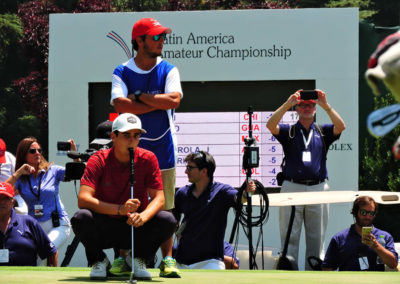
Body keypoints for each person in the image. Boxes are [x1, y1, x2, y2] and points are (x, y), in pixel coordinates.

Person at [110, 17, 182, 278]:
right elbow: (120, 105)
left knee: (167, 206)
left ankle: (168, 260)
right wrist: (156, 102)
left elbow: (174, 100)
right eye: (155, 37)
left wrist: (139, 98)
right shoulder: (122, 71)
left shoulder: (169, 69)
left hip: (163, 149)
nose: (161, 40)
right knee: (124, 201)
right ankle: (121, 258)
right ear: (139, 41)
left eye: (162, 36)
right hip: (127, 150)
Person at [71, 113, 177, 280]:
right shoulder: (98, 159)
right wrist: (120, 209)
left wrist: (143, 216)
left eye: (136, 135)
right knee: (81, 217)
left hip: (136, 226)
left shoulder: (148, 158)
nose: (132, 140)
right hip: (107, 226)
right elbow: (83, 199)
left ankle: (139, 259)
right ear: (114, 136)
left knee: (167, 219)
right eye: (126, 135)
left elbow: (159, 198)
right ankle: (99, 260)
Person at [266, 89, 346, 270]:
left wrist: (325, 105)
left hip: (318, 188)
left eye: (311, 105)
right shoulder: (290, 130)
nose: (307, 108)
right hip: (292, 187)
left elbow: (341, 126)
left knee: (316, 237)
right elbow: (270, 126)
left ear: (315, 109)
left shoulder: (322, 130)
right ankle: (288, 273)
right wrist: (288, 103)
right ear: (297, 109)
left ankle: (315, 275)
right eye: (303, 105)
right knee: (289, 236)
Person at [173, 151, 255, 269]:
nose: (186, 171)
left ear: (204, 171)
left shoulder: (222, 191)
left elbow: (240, 198)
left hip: (211, 262)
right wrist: (178, 232)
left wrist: (247, 193)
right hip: (181, 261)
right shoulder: (182, 193)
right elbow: (173, 220)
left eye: (190, 168)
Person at [5, 137, 75, 264]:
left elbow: (76, 173)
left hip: (57, 223)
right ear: (23, 154)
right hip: (34, 227)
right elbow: (2, 191)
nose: (37, 153)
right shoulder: (21, 177)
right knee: (32, 258)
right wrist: (19, 172)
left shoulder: (53, 170)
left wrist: (75, 156)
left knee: (48, 249)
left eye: (39, 150)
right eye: (32, 151)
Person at [322, 196, 398, 271]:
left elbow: (393, 264)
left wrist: (377, 246)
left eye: (371, 213)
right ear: (355, 212)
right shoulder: (339, 238)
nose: (367, 216)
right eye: (363, 212)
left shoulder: (385, 237)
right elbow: (327, 268)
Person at [0, 182, 57, 266]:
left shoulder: (29, 222)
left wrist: (51, 276)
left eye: (5, 198)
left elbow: (51, 252)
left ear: (13, 202)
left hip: (26, 278)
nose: (1, 202)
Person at [0, 138, 27, 214]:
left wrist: (17, 187)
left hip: (9, 194)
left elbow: (19, 174)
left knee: (23, 212)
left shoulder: (9, 157)